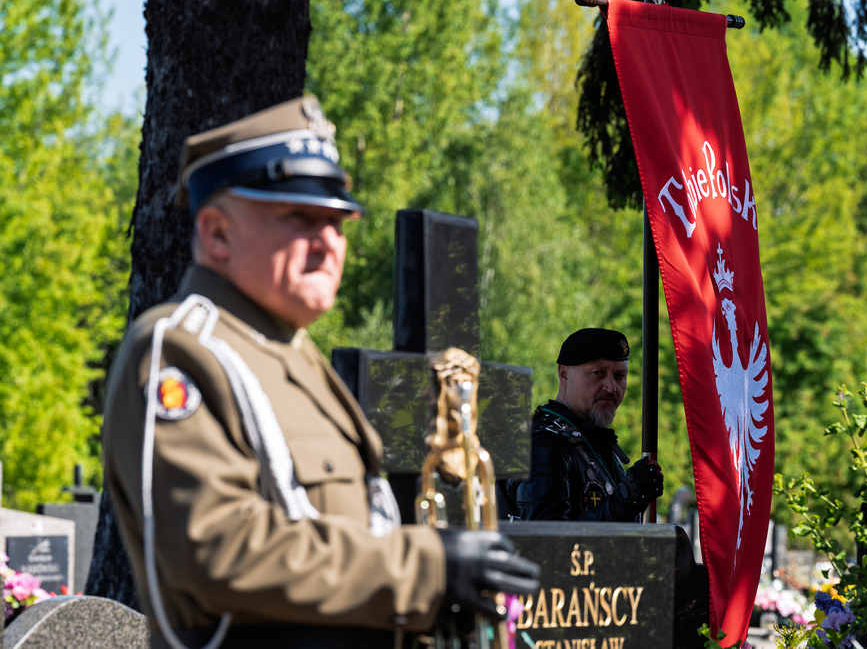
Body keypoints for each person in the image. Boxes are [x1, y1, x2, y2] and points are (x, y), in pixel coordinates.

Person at [102, 96, 539, 649]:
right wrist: (425, 571)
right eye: (300, 218)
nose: (329, 243)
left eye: (338, 222)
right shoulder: (179, 349)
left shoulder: (295, 354)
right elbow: (217, 551)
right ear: (216, 233)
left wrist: (435, 608)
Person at [498, 328, 664, 522]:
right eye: (597, 373)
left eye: (619, 375)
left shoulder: (592, 441)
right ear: (564, 374)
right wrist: (623, 502)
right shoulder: (544, 445)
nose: (611, 387)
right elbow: (548, 543)